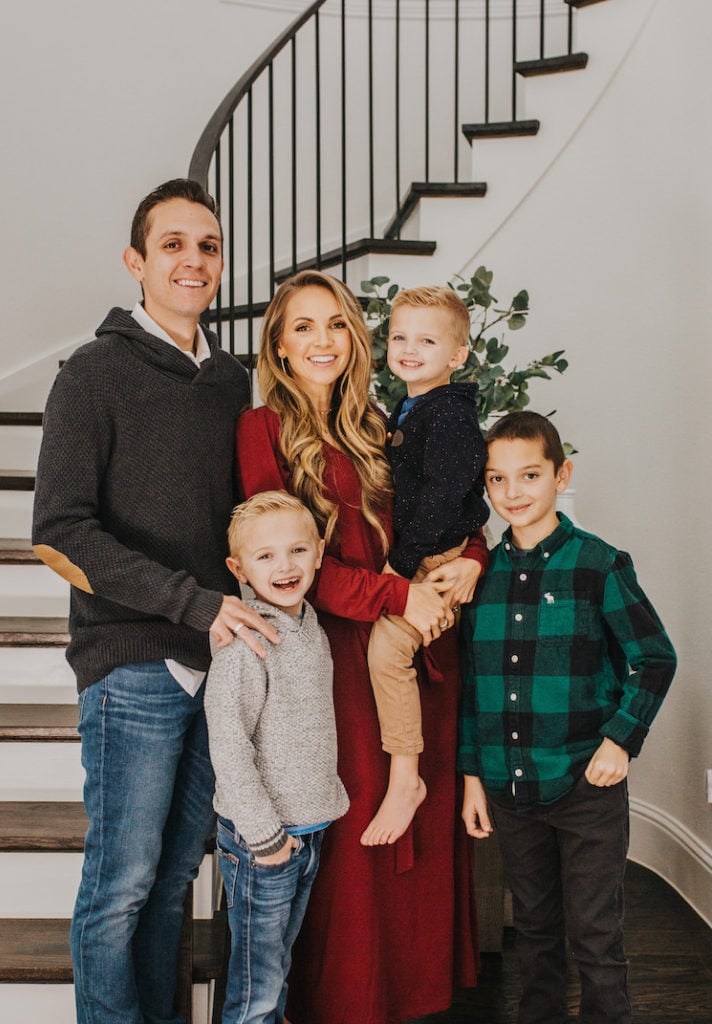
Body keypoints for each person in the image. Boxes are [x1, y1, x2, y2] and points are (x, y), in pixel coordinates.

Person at [32, 178, 278, 1024]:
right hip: (133, 663)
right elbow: (61, 533)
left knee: (174, 878)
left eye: (208, 246)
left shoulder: (231, 381)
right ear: (135, 262)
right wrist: (191, 603)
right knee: (122, 885)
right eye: (173, 244)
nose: (193, 260)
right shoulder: (92, 374)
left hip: (221, 665)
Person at [236, 269, 486, 1024]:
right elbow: (281, 568)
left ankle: (417, 994)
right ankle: (350, 1000)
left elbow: (451, 504)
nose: (323, 340)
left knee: (419, 820)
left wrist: (474, 556)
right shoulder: (262, 430)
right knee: (355, 833)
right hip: (336, 659)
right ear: (280, 345)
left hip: (418, 644)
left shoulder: (384, 422)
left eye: (337, 324)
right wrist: (396, 596)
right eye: (303, 326)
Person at [460, 410, 677, 1024]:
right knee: (533, 928)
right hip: (509, 787)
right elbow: (474, 687)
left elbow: (654, 658)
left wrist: (620, 741)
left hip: (585, 785)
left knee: (594, 932)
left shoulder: (598, 565)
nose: (513, 492)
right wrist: (472, 777)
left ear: (562, 474)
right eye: (497, 479)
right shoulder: (481, 577)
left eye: (529, 474)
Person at [205, 490, 350, 1024]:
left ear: (318, 554)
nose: (284, 566)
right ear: (238, 569)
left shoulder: (310, 626)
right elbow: (228, 744)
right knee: (258, 985)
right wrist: (266, 838)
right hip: (262, 841)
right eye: (265, 556)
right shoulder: (247, 643)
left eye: (297, 550)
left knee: (279, 965)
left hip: (306, 830)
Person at [362, 286, 489, 847]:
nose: (409, 349)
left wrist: (400, 564)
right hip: (425, 552)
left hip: (434, 559)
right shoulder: (413, 408)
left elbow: (442, 499)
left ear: (457, 355)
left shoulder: (450, 416)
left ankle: (406, 777)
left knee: (387, 653)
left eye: (427, 341)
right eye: (399, 337)